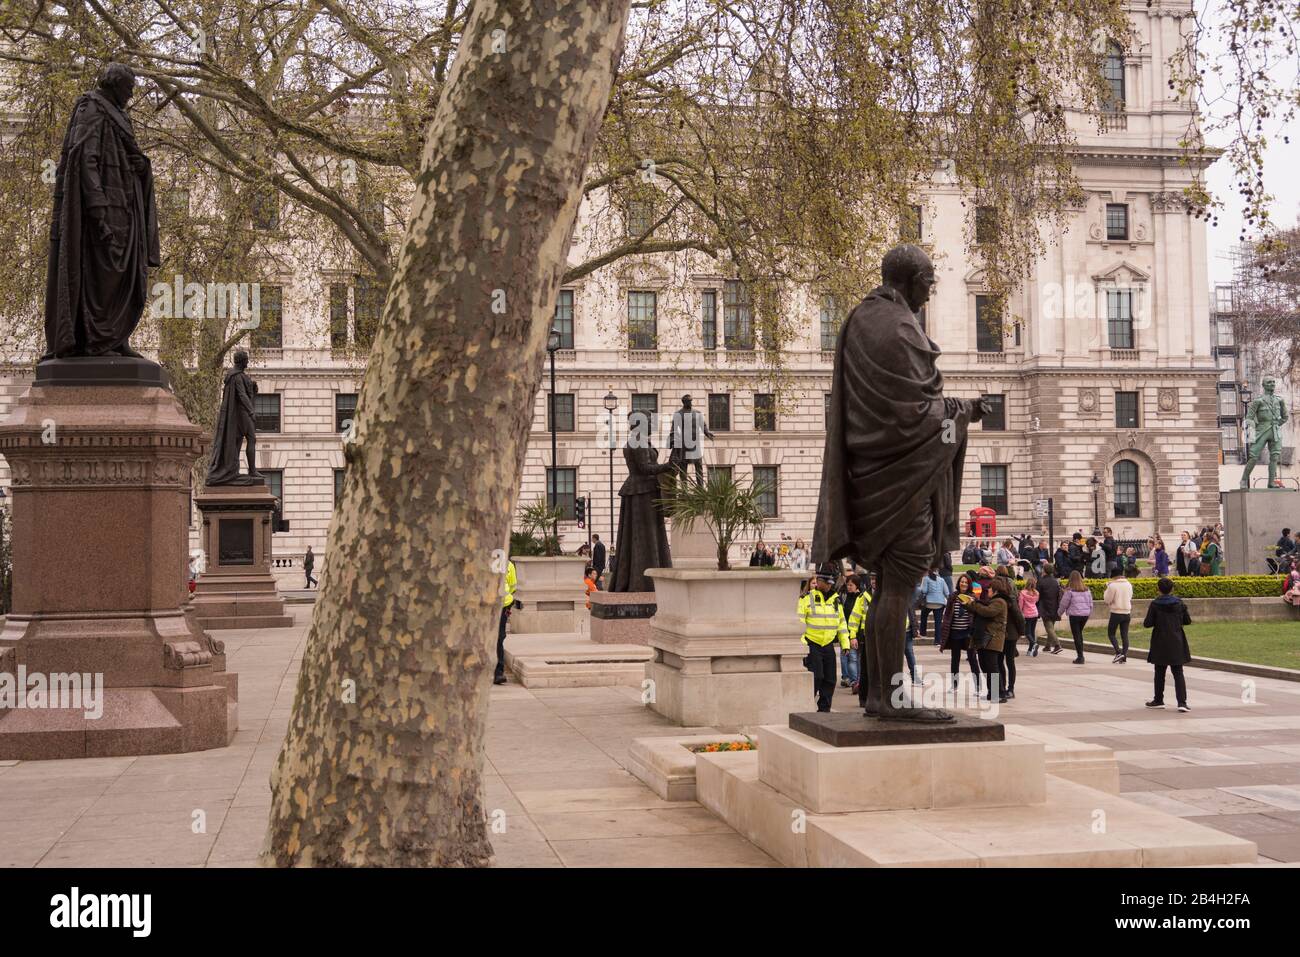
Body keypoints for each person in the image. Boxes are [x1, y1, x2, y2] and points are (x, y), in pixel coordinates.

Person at [799, 568, 850, 712]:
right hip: (812, 643)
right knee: (816, 677)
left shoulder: (836, 600)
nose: (829, 585)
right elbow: (800, 623)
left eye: (831, 583)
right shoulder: (806, 598)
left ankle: (824, 710)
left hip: (828, 644)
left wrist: (845, 643)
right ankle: (805, 705)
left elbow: (842, 623)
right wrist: (803, 645)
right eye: (826, 582)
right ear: (819, 581)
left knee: (830, 679)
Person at [1144, 577, 1193, 712]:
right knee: (1178, 672)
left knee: (1159, 672)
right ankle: (1182, 702)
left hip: (1160, 640)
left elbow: (1147, 623)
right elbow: (1187, 621)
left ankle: (1158, 700)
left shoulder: (1155, 604)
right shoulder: (1179, 603)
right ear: (1172, 589)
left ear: (1158, 589)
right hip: (1176, 639)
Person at [967, 574, 1011, 703]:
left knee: (992, 667)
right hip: (987, 638)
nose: (988, 591)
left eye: (990, 589)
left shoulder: (999, 601)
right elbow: (982, 609)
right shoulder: (993, 601)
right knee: (985, 666)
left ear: (995, 590)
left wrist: (973, 604)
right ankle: (992, 692)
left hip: (993, 638)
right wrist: (968, 604)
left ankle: (999, 693)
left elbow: (987, 612)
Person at [940, 574, 980, 691]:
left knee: (972, 659)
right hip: (955, 633)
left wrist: (971, 604)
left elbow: (977, 613)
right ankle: (954, 685)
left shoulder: (972, 598)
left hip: (968, 633)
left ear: (969, 585)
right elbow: (947, 614)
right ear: (958, 583)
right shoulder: (953, 597)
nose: (963, 584)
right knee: (955, 659)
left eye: (966, 582)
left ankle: (978, 686)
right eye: (962, 582)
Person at [1057, 570, 1094, 664]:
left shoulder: (1070, 591)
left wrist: (1058, 614)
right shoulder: (1087, 590)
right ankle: (1080, 655)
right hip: (1085, 615)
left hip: (1074, 615)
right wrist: (1089, 613)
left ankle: (1080, 657)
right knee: (1079, 634)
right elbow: (1091, 604)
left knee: (1076, 635)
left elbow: (1063, 604)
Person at [840, 575, 868, 689]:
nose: (849, 587)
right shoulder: (844, 597)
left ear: (857, 586)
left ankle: (856, 680)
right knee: (847, 656)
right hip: (845, 631)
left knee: (855, 658)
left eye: (851, 585)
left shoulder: (861, 598)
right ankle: (851, 679)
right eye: (847, 585)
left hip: (857, 632)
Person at [494, 558, 517, 685]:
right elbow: (513, 586)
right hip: (488, 606)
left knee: (498, 638)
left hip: (503, 604)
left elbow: (513, 586)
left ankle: (498, 672)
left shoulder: (508, 564)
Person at [1104, 566, 1133, 663]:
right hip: (1127, 612)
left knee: (1111, 633)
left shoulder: (1112, 585)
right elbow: (1130, 597)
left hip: (1116, 613)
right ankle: (1124, 656)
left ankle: (1118, 652)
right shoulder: (1128, 584)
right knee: (1124, 635)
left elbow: (1107, 600)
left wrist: (1107, 588)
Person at [1035, 561, 1064, 654]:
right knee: (1051, 627)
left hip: (1045, 606)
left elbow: (1037, 595)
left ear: (1044, 570)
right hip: (1055, 606)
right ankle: (1047, 646)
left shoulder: (1041, 581)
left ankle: (1057, 645)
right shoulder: (1055, 581)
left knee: (1049, 627)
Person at [917, 567, 950, 647]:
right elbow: (946, 592)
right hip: (940, 603)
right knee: (938, 622)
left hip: (929, 602)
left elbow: (924, 590)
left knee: (923, 616)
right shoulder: (941, 580)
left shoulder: (926, 579)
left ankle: (923, 633)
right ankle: (937, 641)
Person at [1019, 572, 1041, 657]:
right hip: (1035, 613)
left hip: (1027, 614)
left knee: (1027, 632)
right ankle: (1030, 651)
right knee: (1032, 632)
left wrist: (1020, 612)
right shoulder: (1036, 593)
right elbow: (1036, 602)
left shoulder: (1022, 593)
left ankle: (1034, 643)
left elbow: (1020, 605)